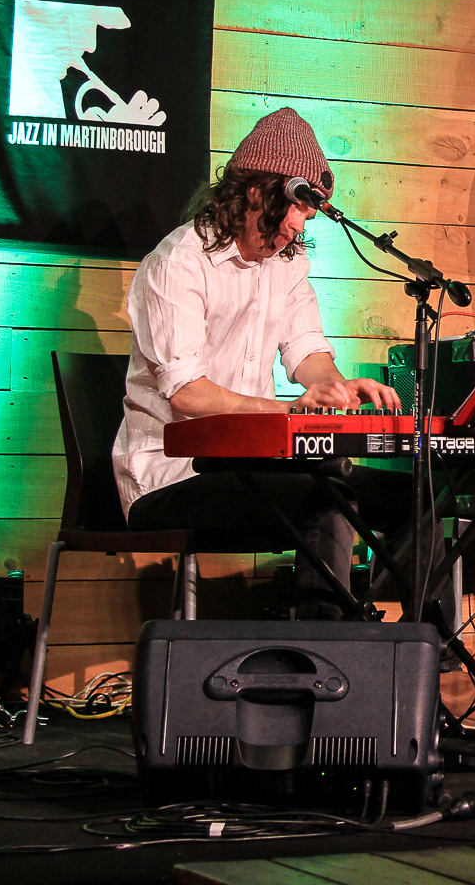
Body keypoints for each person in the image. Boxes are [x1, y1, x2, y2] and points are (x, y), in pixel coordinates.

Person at [112, 107, 421, 620]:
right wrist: (290, 413)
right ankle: (327, 651)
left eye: (307, 215)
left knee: (416, 495)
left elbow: (307, 351)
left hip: (253, 465)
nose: (300, 225)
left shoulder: (287, 262)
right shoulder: (177, 263)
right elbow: (188, 393)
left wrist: (336, 388)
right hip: (170, 477)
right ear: (255, 192)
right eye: (295, 208)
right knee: (327, 498)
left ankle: (421, 647)